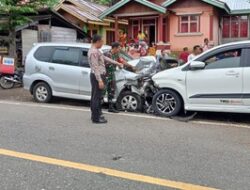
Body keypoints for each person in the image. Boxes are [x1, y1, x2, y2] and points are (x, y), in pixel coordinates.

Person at [88, 34, 123, 124]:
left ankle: (95, 115)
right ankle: (96, 118)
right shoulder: (94, 52)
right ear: (98, 41)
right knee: (96, 97)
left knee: (95, 96)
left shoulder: (96, 51)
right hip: (97, 76)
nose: (102, 44)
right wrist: (99, 80)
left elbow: (105, 58)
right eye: (102, 42)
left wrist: (117, 63)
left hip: (98, 75)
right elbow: (95, 67)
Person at [104, 42, 134, 113]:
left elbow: (122, 61)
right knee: (102, 92)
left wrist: (131, 66)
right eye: (119, 48)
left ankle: (110, 107)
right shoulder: (107, 54)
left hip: (112, 75)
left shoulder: (116, 55)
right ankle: (98, 109)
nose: (119, 50)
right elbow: (103, 64)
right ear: (114, 48)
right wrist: (116, 64)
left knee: (111, 91)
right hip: (105, 76)